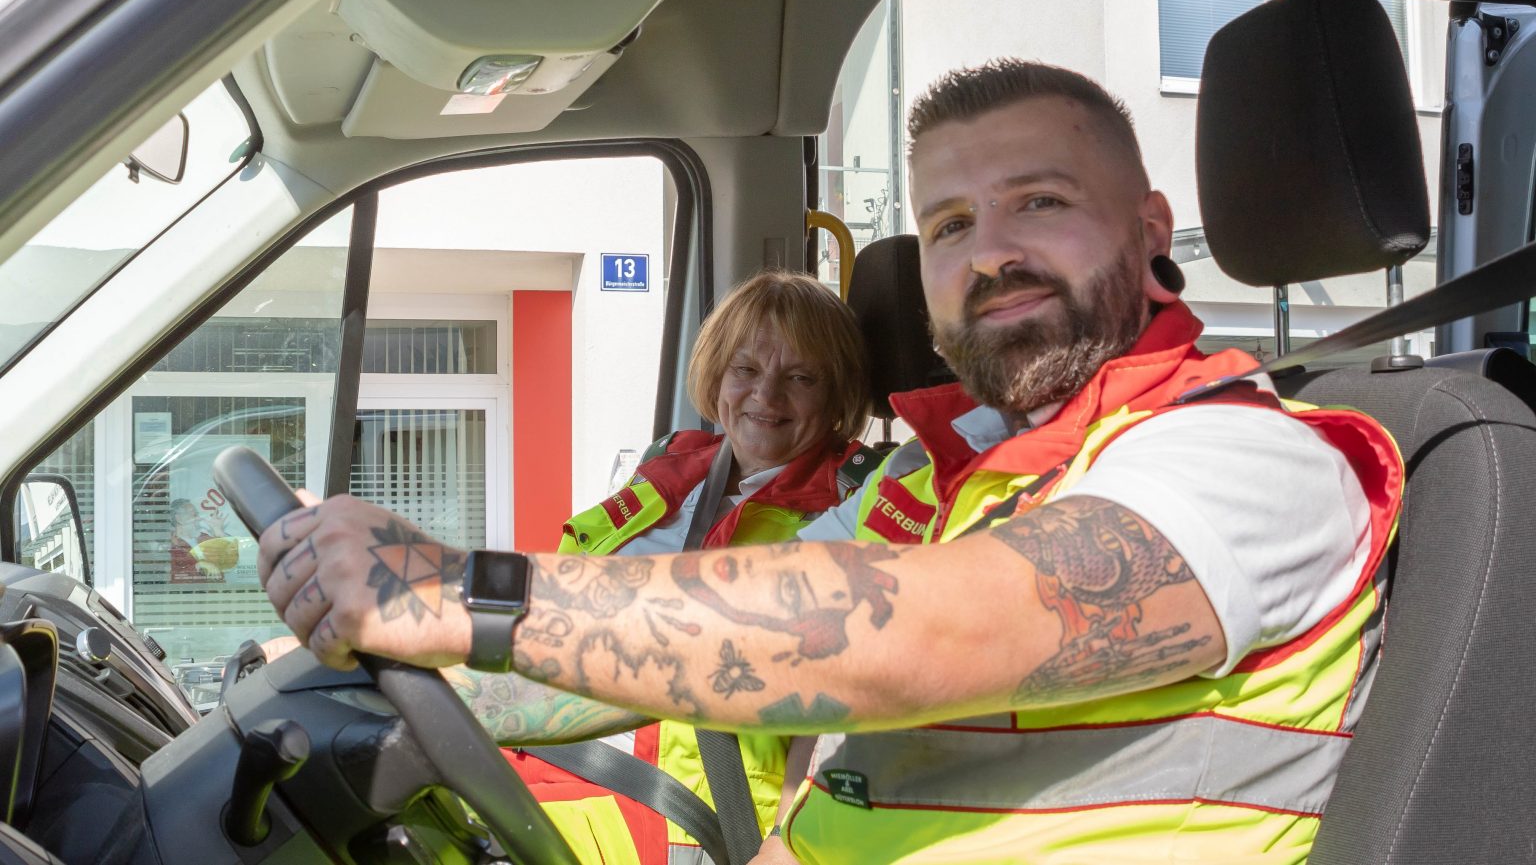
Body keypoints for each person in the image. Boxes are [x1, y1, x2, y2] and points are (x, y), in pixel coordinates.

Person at [259, 60, 1402, 864]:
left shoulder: (1247, 456)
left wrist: (457, 590)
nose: (990, 252)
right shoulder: (947, 475)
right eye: (949, 224)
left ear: (1153, 227)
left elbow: (904, 629)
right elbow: (713, 617)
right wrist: (357, 661)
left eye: (1040, 204)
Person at [426, 271, 878, 865]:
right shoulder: (670, 470)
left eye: (799, 378)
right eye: (745, 369)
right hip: (543, 754)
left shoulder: (856, 509)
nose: (765, 396)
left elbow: (840, 704)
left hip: (672, 809)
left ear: (837, 394)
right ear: (717, 373)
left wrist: (788, 844)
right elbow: (558, 601)